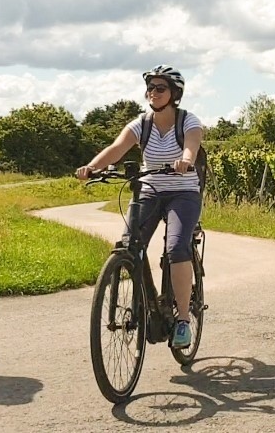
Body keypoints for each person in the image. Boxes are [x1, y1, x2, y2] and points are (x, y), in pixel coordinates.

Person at [75, 64, 204, 348]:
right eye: (150, 88)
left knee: (176, 248)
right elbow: (116, 149)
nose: (153, 93)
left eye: (160, 88)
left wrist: (186, 160)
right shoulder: (141, 124)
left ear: (174, 94)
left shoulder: (188, 122)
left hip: (183, 193)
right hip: (150, 191)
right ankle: (144, 304)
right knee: (127, 245)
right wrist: (92, 167)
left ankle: (183, 320)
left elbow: (191, 147)